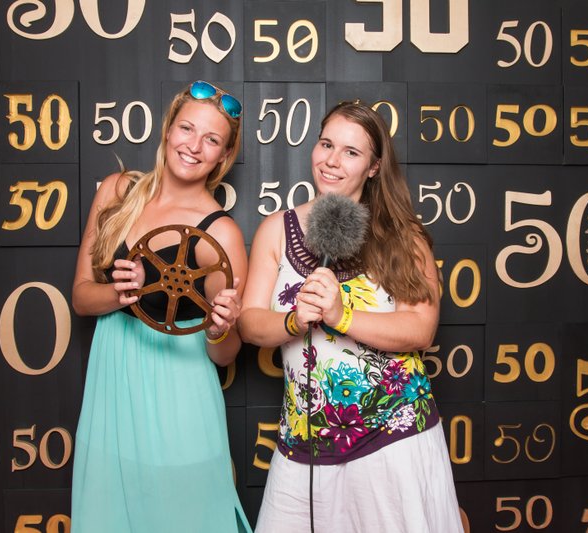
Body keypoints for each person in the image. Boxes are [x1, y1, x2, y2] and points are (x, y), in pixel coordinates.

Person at [239, 101, 464, 532]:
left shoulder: (403, 236)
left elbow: (420, 328)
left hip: (391, 436)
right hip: (303, 441)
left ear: (374, 167)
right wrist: (293, 320)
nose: (332, 161)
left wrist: (342, 316)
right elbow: (249, 323)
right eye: (326, 144)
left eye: (351, 152)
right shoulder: (276, 229)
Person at [71, 81, 251, 532]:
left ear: (223, 155)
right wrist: (121, 294)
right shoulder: (117, 192)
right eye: (186, 129)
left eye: (211, 139)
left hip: (180, 391)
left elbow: (225, 354)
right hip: (113, 383)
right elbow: (81, 298)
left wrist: (220, 328)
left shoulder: (221, 234)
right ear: (168, 129)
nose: (194, 146)